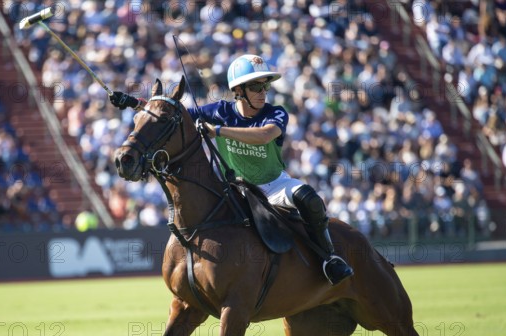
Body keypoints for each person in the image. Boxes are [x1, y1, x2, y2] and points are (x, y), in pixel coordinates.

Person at [109, 55, 353, 285]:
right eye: (256, 87)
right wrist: (134, 103)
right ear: (239, 91)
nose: (263, 93)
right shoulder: (220, 111)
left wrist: (219, 131)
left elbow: (265, 135)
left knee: (309, 198)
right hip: (233, 186)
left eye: (265, 87)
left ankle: (329, 258)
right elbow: (170, 115)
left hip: (273, 185)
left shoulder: (275, 112)